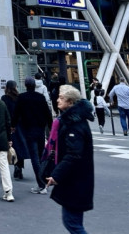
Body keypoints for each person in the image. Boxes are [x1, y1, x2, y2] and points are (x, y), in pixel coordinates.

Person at [46, 85, 94, 234]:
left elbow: (73, 153)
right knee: (73, 221)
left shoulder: (74, 124)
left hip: (76, 180)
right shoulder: (73, 120)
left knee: (72, 223)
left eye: (61, 98)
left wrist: (56, 175)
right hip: (77, 179)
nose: (57, 100)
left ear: (71, 102)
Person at [15, 75, 53, 194]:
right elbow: (48, 113)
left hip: (29, 130)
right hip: (40, 129)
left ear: (25, 85)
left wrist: (11, 126)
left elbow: (16, 114)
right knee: (41, 156)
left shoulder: (22, 98)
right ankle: (44, 181)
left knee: (34, 157)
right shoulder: (40, 97)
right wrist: (51, 128)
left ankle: (41, 184)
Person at [1, 80, 28, 180]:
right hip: (19, 125)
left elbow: (3, 112)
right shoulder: (19, 97)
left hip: (9, 126)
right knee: (20, 145)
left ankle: (15, 164)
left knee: (12, 146)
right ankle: (19, 166)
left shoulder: (4, 98)